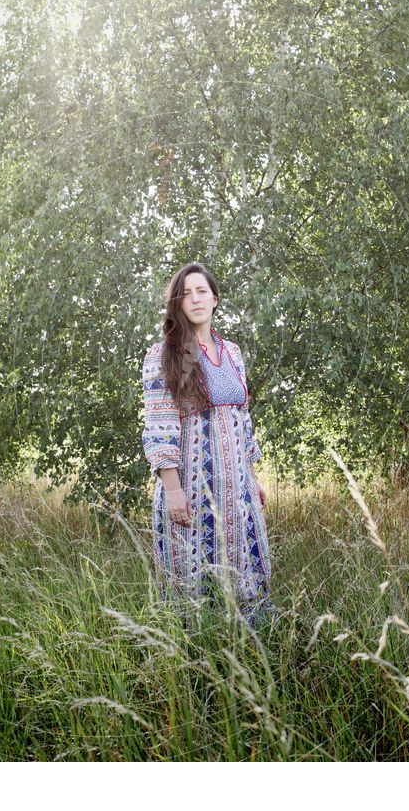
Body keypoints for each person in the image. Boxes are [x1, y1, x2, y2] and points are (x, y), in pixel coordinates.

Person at [141, 262, 277, 629]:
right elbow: (159, 424)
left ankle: (250, 653)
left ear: (215, 299)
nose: (195, 299)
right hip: (192, 489)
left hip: (237, 489)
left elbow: (242, 420)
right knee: (192, 580)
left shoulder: (231, 351)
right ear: (178, 303)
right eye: (186, 294)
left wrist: (252, 476)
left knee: (245, 575)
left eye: (201, 291)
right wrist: (172, 490)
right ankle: (195, 664)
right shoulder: (164, 354)